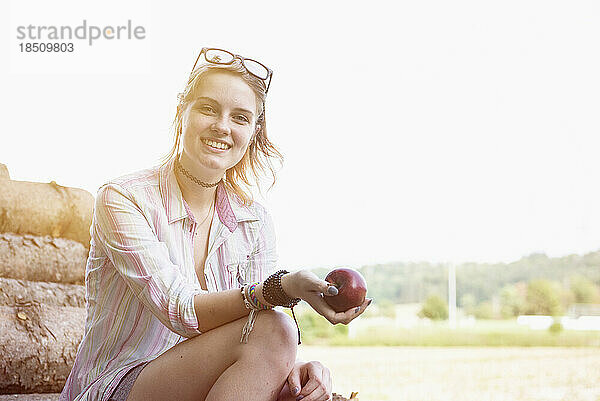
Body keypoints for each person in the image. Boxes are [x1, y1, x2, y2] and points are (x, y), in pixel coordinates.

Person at [59, 47, 372, 401]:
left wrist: (297, 371)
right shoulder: (124, 198)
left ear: (253, 132)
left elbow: (255, 340)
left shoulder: (254, 221)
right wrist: (280, 289)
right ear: (181, 113)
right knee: (277, 326)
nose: (222, 126)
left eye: (240, 117)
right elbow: (179, 309)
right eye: (208, 108)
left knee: (282, 341)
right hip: (116, 388)